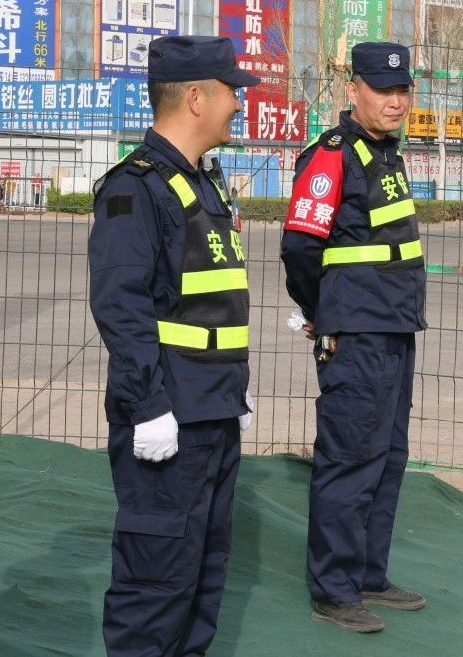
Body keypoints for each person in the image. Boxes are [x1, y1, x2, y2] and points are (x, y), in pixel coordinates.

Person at [88, 35, 256, 656]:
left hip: (213, 409)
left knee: (201, 578)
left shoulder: (203, 185)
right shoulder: (136, 189)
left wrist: (233, 389)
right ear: (195, 98)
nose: (238, 102)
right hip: (169, 416)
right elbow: (121, 307)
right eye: (230, 91)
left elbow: (208, 307)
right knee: (155, 587)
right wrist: (148, 406)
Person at [281, 42, 427, 634]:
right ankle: (334, 589)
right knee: (349, 460)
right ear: (353, 90)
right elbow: (299, 248)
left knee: (387, 456)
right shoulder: (331, 156)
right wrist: (322, 312)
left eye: (402, 90)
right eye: (382, 90)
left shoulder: (386, 155)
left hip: (394, 328)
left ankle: (368, 574)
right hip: (356, 333)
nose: (396, 101)